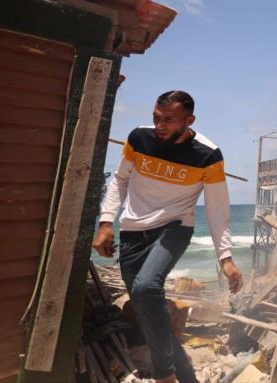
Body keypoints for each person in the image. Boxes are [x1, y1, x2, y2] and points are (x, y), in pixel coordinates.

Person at [93, 90, 242, 383]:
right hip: (133, 231)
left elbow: (217, 208)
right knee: (148, 309)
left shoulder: (207, 155)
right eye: (156, 118)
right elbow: (120, 180)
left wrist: (225, 258)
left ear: (189, 120)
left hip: (174, 228)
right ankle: (186, 378)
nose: (160, 125)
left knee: (147, 287)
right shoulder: (139, 138)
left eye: (169, 120)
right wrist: (106, 222)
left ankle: (164, 375)